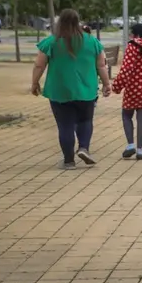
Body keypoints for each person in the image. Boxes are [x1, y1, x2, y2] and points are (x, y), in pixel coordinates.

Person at [30, 9, 112, 169]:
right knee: (85, 121)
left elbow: (39, 64)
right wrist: (107, 84)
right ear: (78, 22)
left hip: (59, 90)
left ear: (60, 22)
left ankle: (68, 161)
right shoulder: (92, 41)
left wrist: (34, 83)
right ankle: (84, 148)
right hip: (86, 90)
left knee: (65, 125)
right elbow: (101, 65)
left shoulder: (51, 42)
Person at [112, 24, 142, 161]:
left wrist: (117, 86)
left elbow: (126, 69)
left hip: (133, 88)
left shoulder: (132, 46)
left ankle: (130, 145)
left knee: (126, 115)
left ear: (135, 34)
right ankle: (140, 150)